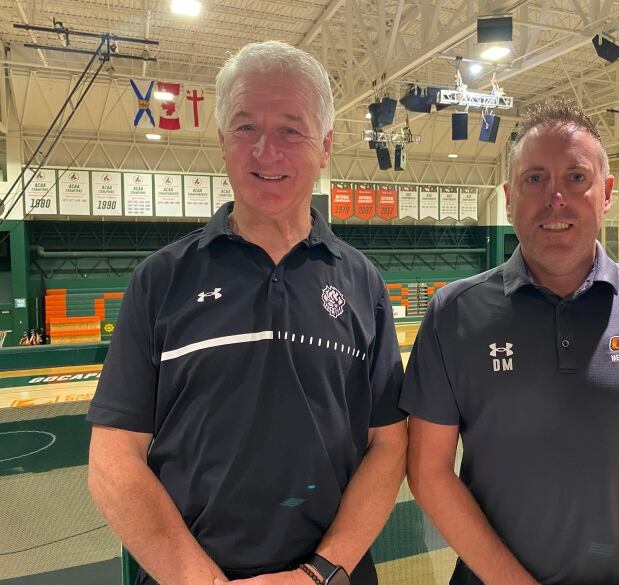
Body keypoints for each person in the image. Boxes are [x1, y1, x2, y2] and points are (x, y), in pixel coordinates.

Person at [87, 41, 407, 585]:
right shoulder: (160, 280)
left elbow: (389, 443)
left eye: (290, 129)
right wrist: (202, 580)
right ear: (221, 140)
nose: (266, 151)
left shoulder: (362, 282)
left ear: (325, 146)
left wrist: (320, 572)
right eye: (245, 128)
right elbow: (113, 459)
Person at [400, 100, 619, 585]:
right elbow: (429, 471)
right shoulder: (452, 315)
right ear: (508, 197)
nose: (556, 197)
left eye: (576, 177)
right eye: (535, 179)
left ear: (606, 193)